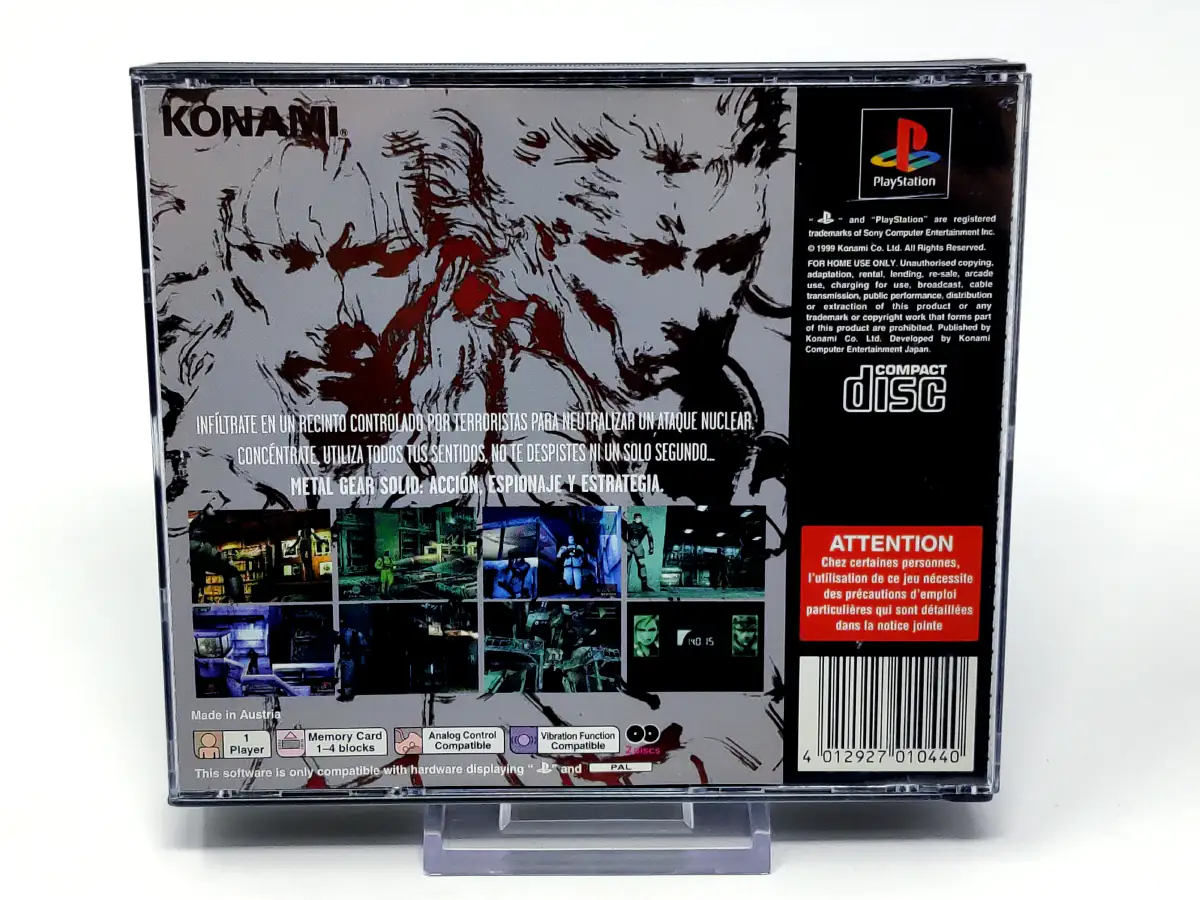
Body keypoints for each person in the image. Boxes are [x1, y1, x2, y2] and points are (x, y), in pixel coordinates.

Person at [623, 512, 655, 592]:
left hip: (638, 547)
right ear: (634, 518)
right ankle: (623, 585)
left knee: (642, 565)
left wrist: (651, 548)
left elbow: (650, 537)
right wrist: (626, 541)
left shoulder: (645, 528)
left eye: (639, 517)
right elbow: (622, 533)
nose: (638, 519)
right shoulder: (629, 526)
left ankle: (644, 586)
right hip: (629, 546)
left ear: (641, 518)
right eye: (637, 517)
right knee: (625, 565)